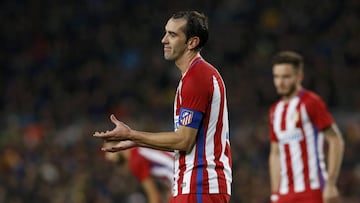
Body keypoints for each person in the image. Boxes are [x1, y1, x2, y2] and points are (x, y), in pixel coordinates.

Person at [93, 10, 232, 203]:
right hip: (192, 185)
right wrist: (137, 141)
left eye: (173, 35)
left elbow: (184, 140)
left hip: (200, 186)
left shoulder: (197, 78)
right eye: (166, 32)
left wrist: (132, 135)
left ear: (192, 42)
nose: (164, 40)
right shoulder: (195, 76)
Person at [268, 51, 344, 203]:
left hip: (313, 189)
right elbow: (275, 153)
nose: (280, 82)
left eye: (286, 77)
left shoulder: (311, 102)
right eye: (276, 77)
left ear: (299, 76)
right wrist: (275, 193)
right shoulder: (274, 111)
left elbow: (335, 140)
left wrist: (331, 184)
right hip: (285, 194)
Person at [104, 147, 174, 203]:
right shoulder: (137, 147)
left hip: (177, 173)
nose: (107, 156)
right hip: (178, 164)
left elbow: (154, 196)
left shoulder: (135, 161)